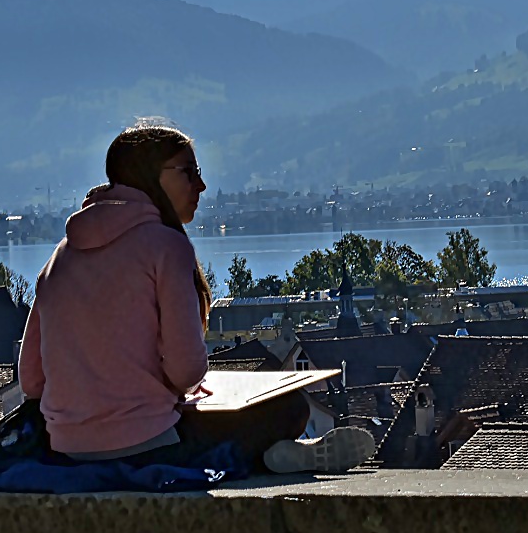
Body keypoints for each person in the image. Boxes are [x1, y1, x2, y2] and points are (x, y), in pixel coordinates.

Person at [18, 123, 374, 474]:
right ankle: (271, 455)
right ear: (151, 176)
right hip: (151, 444)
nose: (201, 185)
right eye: (188, 172)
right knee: (291, 408)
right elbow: (186, 370)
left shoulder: (59, 257)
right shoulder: (166, 247)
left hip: (66, 448)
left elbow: (32, 380)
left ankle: (272, 455)